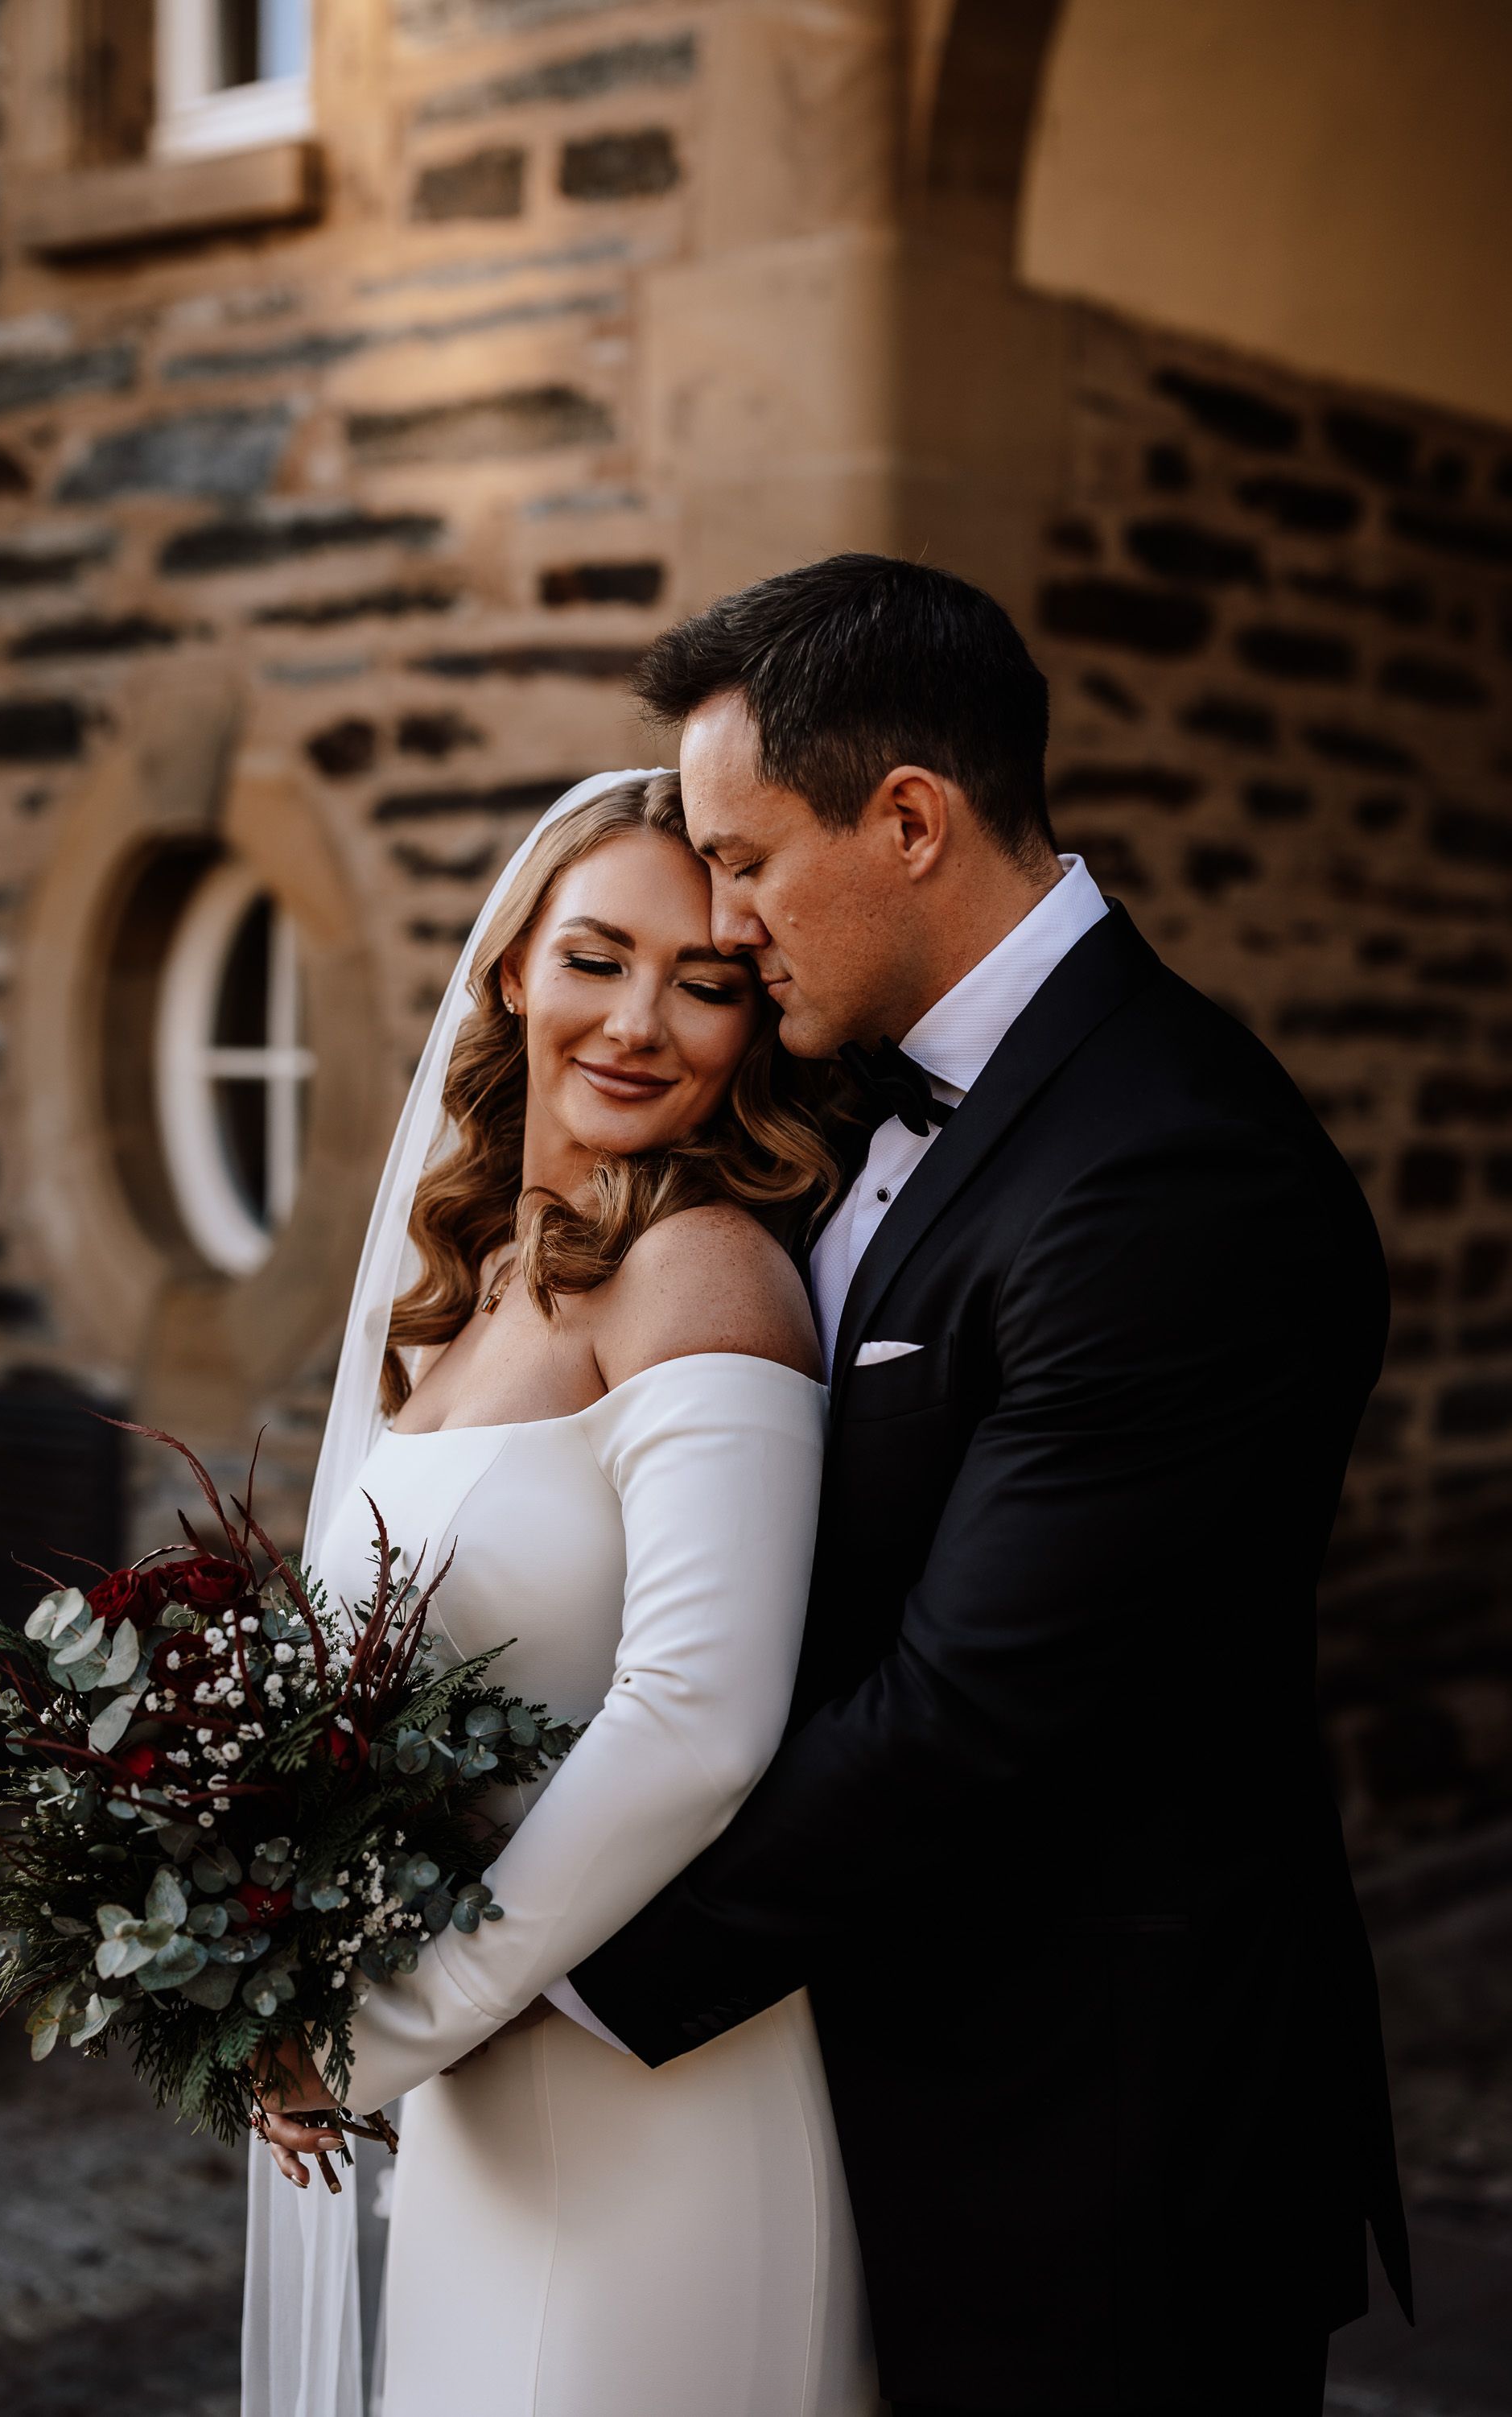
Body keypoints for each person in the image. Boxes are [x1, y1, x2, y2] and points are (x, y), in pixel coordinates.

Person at [554, 557, 1411, 2415]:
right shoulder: (851, 1086)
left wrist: (541, 1980)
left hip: (1094, 2157)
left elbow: (976, 1714)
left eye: (751, 857)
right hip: (863, 2093)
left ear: (913, 820)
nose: (724, 914)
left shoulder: (1175, 1168)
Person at [259, 771, 884, 2417]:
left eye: (708, 981)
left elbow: (697, 1720)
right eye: (599, 957)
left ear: (756, 1025)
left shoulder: (708, 1269)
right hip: (480, 2109)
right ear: (516, 966)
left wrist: (380, 2026)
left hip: (653, 2099)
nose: (641, 1021)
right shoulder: (463, 1296)